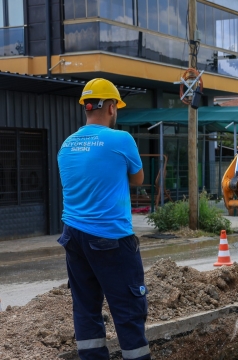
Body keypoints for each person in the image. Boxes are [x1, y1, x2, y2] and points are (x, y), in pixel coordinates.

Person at [57, 78, 150, 360]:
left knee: (86, 308)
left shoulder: (66, 145)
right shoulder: (121, 139)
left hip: (73, 235)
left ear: (86, 107)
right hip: (110, 238)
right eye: (116, 106)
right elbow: (138, 179)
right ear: (111, 107)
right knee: (128, 310)